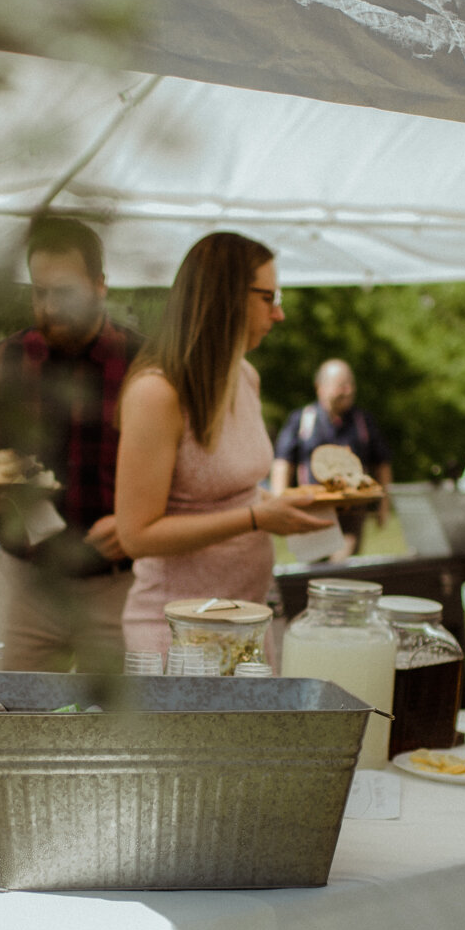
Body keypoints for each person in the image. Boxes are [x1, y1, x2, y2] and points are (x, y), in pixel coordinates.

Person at [115, 233, 330, 655]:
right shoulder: (157, 392)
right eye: (269, 297)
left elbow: (229, 493)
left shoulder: (245, 376)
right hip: (177, 634)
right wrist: (257, 517)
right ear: (227, 297)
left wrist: (290, 504)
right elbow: (136, 535)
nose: (280, 313)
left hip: (247, 621)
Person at [0, 217, 140, 672]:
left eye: (66, 292)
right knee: (1, 715)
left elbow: (182, 475)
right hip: (25, 579)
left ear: (100, 286)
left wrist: (136, 521)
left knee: (124, 729)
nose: (51, 307)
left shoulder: (144, 364)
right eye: (40, 292)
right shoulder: (1, 364)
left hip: (121, 584)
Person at [271, 359, 394, 560]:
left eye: (351, 384)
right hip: (312, 510)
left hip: (351, 513)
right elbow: (283, 463)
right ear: (320, 387)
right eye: (342, 385)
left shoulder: (362, 421)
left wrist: (384, 505)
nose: (349, 390)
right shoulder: (303, 420)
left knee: (341, 566)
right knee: (312, 567)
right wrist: (279, 504)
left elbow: (381, 463)